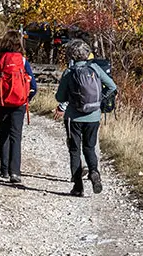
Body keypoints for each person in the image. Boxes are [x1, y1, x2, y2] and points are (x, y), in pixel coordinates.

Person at [54, 39, 117, 197]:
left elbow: (60, 97)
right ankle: (94, 172)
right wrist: (99, 100)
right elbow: (112, 86)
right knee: (89, 147)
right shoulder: (95, 68)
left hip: (73, 118)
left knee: (75, 150)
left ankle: (77, 186)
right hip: (93, 116)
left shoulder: (69, 72)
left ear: (71, 55)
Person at [0, 29, 37, 184]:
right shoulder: (22, 61)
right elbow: (33, 85)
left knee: (3, 134)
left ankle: (4, 169)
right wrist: (26, 98)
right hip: (19, 103)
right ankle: (15, 172)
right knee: (16, 135)